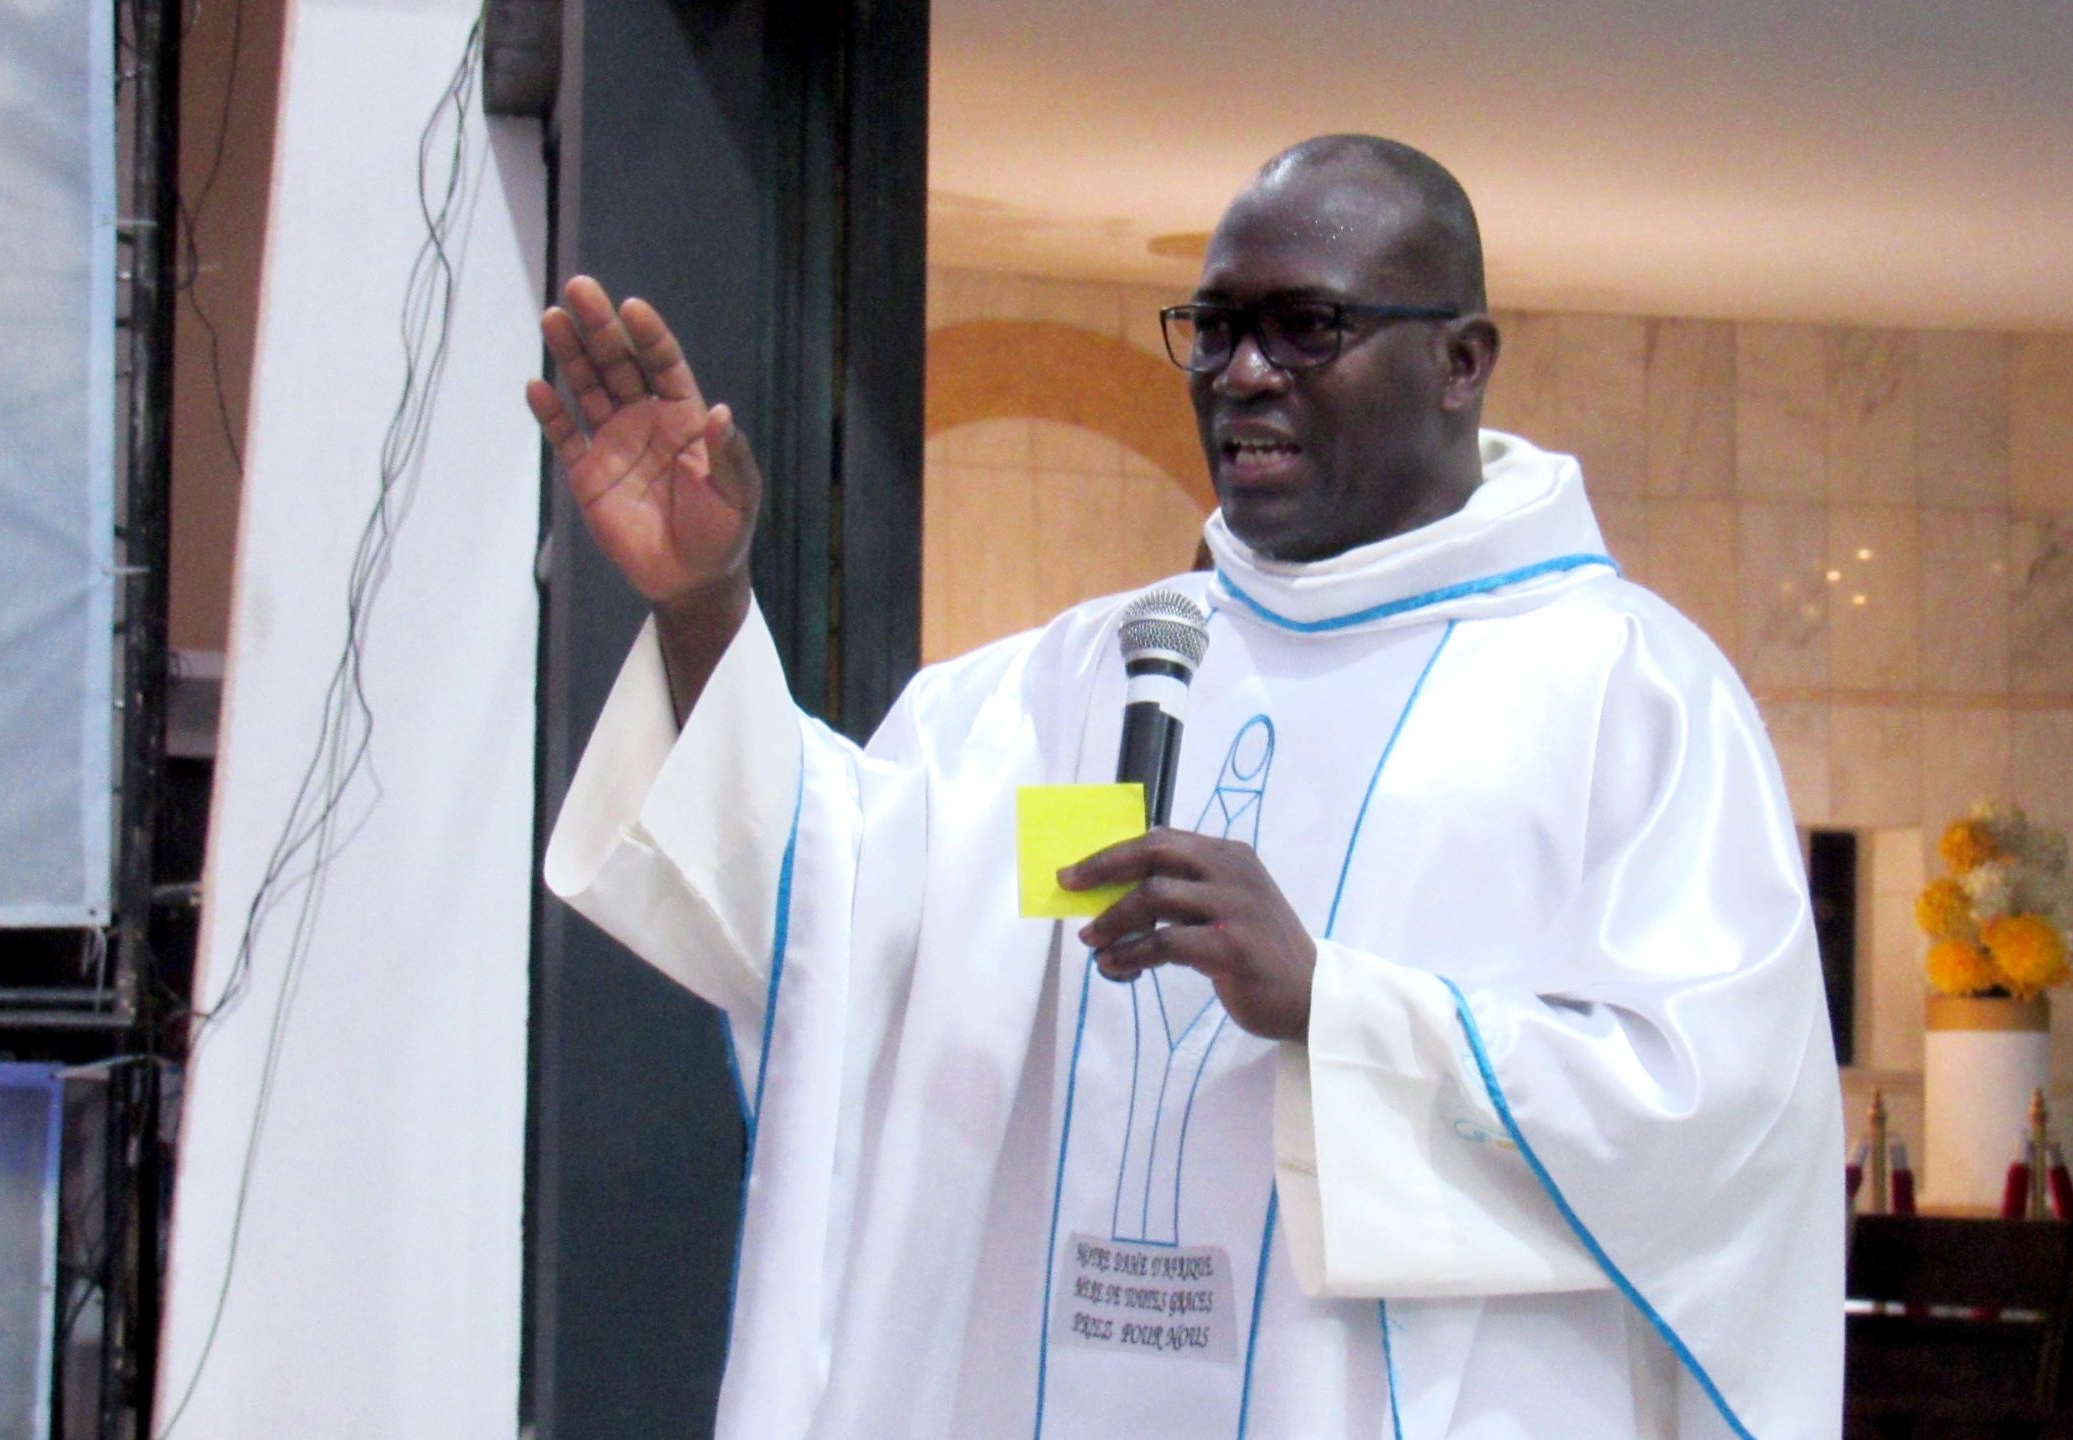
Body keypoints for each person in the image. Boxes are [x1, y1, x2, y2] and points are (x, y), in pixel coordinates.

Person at [531, 135, 1844, 1440]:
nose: (1244, 374)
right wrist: (704, 603)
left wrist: (1334, 1005)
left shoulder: (1623, 693)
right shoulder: (1083, 681)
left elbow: (1717, 1125)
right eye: (1214, 330)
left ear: (1461, 361)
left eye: (1307, 327)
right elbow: (845, 922)